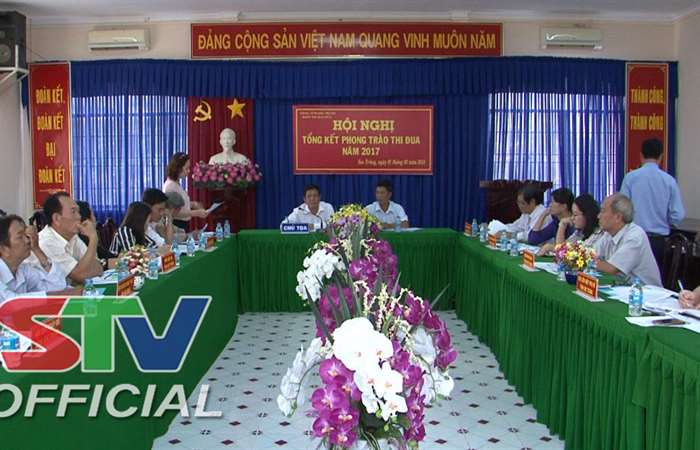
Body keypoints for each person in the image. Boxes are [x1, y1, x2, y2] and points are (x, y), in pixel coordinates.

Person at [620, 138, 685, 267]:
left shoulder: (630, 178)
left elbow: (621, 209)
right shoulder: (669, 181)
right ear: (661, 156)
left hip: (633, 238)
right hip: (659, 242)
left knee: (630, 275)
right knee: (655, 276)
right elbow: (678, 215)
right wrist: (667, 221)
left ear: (641, 155)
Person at [0, 215, 81, 303]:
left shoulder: (23, 269)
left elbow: (58, 285)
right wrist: (63, 294)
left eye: (26, 235)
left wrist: (37, 249)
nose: (28, 240)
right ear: (3, 248)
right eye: (20, 237)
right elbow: (10, 302)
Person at [595, 193, 662, 286]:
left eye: (603, 211)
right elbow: (591, 254)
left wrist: (584, 261)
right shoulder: (608, 234)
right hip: (622, 287)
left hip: (644, 291)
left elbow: (611, 269)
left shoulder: (635, 236)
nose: (598, 216)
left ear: (618, 217)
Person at [37, 192, 103, 285]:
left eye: (78, 211)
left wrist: (85, 272)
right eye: (73, 212)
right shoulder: (46, 243)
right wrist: (93, 238)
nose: (79, 216)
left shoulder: (72, 237)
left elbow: (98, 268)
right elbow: (81, 276)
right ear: (57, 219)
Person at [538, 194, 604, 255]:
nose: (572, 218)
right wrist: (562, 225)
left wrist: (551, 248)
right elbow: (562, 248)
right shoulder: (579, 232)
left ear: (587, 215)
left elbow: (578, 255)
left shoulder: (597, 233)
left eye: (575, 215)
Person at [163, 153, 208, 232]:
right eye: (186, 168)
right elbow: (172, 212)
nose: (189, 171)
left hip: (183, 223)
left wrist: (193, 204)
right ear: (178, 168)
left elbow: (179, 204)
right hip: (176, 224)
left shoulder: (176, 183)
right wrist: (196, 213)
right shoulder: (170, 186)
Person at [76, 201, 117, 269]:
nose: (95, 219)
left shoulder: (87, 238)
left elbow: (107, 255)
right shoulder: (81, 240)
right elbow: (90, 267)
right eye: (93, 215)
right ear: (87, 220)